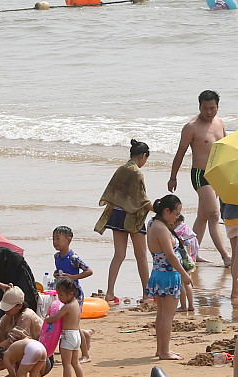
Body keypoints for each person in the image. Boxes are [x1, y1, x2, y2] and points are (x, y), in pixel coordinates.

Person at [169, 91, 231, 266]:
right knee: (214, 214)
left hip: (217, 174)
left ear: (217, 107)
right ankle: (226, 256)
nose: (209, 112)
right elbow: (180, 153)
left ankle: (191, 254)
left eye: (212, 108)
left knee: (203, 216)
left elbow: (226, 148)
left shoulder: (220, 123)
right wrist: (173, 177)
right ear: (199, 107)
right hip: (200, 175)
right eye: (205, 108)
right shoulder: (191, 127)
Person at [98, 139, 152, 300]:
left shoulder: (121, 169)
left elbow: (112, 192)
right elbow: (141, 199)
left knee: (119, 255)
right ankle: (146, 293)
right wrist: (159, 209)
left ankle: (109, 293)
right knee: (141, 256)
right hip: (132, 217)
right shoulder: (136, 172)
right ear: (143, 156)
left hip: (117, 214)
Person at [144, 196, 194, 359]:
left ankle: (161, 349)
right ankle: (164, 351)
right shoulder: (162, 229)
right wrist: (184, 275)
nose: (177, 217)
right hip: (169, 276)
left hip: (158, 273)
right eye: (176, 213)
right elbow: (170, 255)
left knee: (161, 314)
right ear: (167, 211)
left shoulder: (152, 223)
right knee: (167, 316)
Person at [47, 276, 86, 377]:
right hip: (76, 335)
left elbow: (55, 318)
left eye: (61, 295)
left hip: (68, 336)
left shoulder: (67, 307)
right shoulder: (76, 304)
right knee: (75, 362)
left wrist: (47, 319)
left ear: (71, 294)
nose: (59, 298)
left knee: (66, 363)